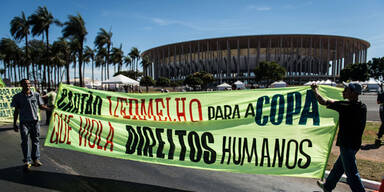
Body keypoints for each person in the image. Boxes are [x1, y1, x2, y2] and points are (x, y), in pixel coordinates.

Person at [312, 82, 366, 192]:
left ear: (353, 93)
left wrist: (315, 90)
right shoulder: (362, 107)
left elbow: (322, 101)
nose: (343, 91)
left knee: (351, 173)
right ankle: (328, 187)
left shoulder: (345, 106)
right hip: (355, 144)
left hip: (347, 144)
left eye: (346, 90)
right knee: (339, 167)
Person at [11, 79, 50, 171]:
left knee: (35, 140)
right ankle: (27, 161)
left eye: (28, 84)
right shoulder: (17, 97)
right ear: (21, 85)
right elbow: (16, 111)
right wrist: (14, 124)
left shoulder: (36, 95)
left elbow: (41, 106)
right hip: (24, 122)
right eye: (25, 84)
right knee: (25, 141)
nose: (27, 85)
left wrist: (50, 109)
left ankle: (36, 159)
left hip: (35, 122)